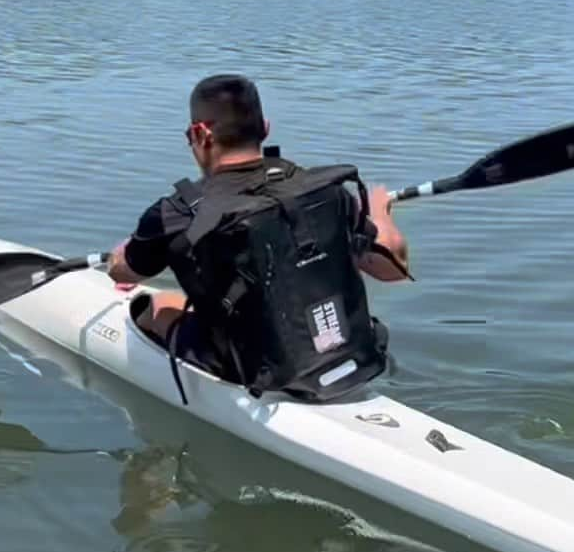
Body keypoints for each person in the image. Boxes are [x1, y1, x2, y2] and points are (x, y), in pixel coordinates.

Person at [108, 74, 409, 401]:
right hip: (354, 354)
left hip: (255, 370)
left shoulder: (176, 214)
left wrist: (124, 252)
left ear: (201, 133)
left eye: (189, 136)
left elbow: (122, 272)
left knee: (160, 304)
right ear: (265, 128)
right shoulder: (327, 191)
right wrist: (379, 213)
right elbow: (392, 269)